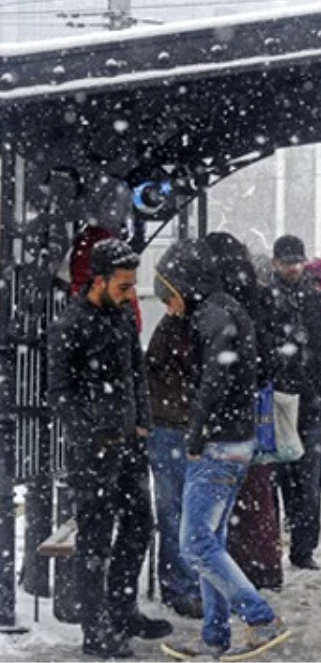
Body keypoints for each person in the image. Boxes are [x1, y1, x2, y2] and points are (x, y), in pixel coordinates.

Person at [153, 239, 291, 659]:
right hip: (236, 440)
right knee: (210, 540)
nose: (169, 308)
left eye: (168, 296)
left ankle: (261, 618)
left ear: (182, 286)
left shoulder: (211, 315)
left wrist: (195, 434)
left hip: (218, 442)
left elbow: (215, 379)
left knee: (194, 542)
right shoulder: (227, 307)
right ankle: (214, 637)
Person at [48, 239, 172, 658]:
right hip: (94, 452)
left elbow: (136, 369)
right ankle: (94, 627)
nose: (129, 294)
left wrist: (142, 423)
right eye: (122, 286)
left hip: (129, 444)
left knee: (139, 527)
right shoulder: (70, 325)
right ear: (97, 281)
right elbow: (60, 393)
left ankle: (122, 610)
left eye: (131, 286)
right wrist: (92, 434)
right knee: (96, 541)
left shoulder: (120, 316)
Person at [207, 234, 283, 591]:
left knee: (223, 495)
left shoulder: (215, 305)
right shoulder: (260, 298)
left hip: (224, 414)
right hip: (254, 408)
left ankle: (235, 564)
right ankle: (264, 564)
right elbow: (272, 354)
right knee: (258, 488)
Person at [269, 235, 321, 570]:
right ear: (276, 263)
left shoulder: (320, 304)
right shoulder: (264, 301)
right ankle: (276, 543)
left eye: (297, 262)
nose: (293, 268)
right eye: (287, 262)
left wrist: (315, 375)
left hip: (308, 402)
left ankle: (303, 547)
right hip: (277, 402)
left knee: (308, 480)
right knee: (277, 479)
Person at [145, 298, 203, 619]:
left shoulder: (177, 328)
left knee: (175, 511)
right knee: (177, 511)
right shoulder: (181, 330)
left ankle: (180, 583)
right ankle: (181, 585)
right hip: (174, 424)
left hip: (173, 423)